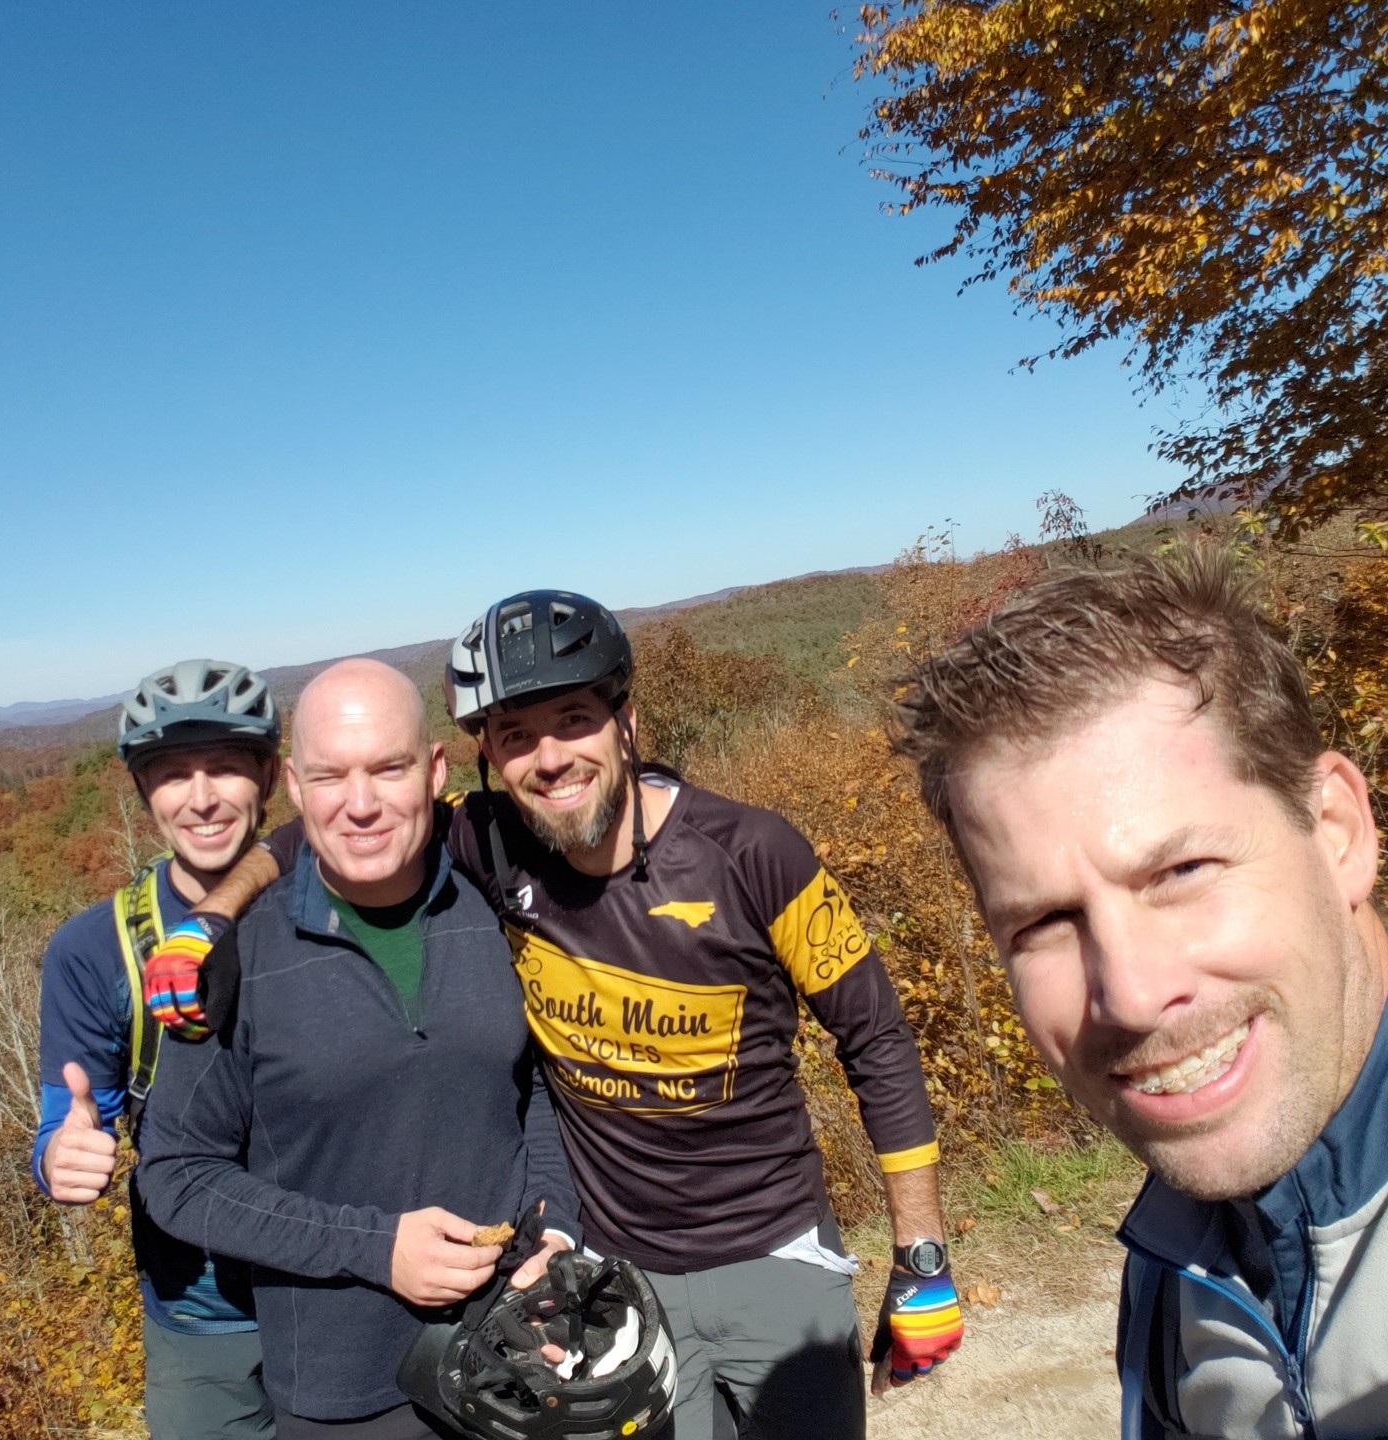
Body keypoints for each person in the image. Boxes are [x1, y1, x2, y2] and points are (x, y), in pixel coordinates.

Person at [170, 594, 962, 1438]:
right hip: (619, 1276)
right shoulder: (488, 843)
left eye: (574, 719)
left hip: (771, 1253)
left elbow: (875, 1037)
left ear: (627, 719)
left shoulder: (756, 854)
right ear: (483, 760)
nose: (549, 759)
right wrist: (209, 920)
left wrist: (922, 1259)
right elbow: (324, 829)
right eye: (515, 735)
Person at [893, 548, 1388, 1439]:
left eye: (1182, 869)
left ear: (1340, 834)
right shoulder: (1176, 1258)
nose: (1128, 992)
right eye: (1044, 923)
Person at [135, 658, 580, 1440]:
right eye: (331, 777)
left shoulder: (491, 902)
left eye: (390, 768)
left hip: (518, 1354)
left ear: (436, 770)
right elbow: (176, 1175)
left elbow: (532, 1089)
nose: (363, 804)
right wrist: (373, 1247)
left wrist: (554, 1230)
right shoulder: (242, 957)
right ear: (296, 789)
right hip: (349, 1395)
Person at [34, 659, 281, 1439]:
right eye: (172, 774)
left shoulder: (343, 897)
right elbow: (67, 1118)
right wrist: (59, 1157)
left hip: (349, 1287)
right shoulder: (95, 948)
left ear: (270, 776)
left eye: (226, 769)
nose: (201, 798)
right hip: (201, 1306)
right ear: (144, 794)